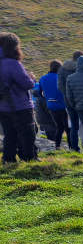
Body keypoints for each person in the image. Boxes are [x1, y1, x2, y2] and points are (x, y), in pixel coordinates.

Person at [0, 32, 38, 164]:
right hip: (19, 106)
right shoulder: (12, 63)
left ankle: (8, 160)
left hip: (3, 107)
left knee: (9, 134)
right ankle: (29, 160)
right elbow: (26, 84)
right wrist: (31, 78)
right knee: (28, 134)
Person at [34, 60, 69, 148]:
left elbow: (40, 93)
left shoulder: (43, 78)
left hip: (51, 105)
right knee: (67, 128)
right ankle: (72, 146)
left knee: (59, 127)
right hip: (62, 105)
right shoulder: (61, 77)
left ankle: (57, 146)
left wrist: (49, 97)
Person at [58, 50, 83, 152]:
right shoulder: (81, 68)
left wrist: (67, 95)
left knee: (74, 125)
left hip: (68, 101)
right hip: (81, 100)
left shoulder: (62, 69)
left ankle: (74, 148)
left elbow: (60, 86)